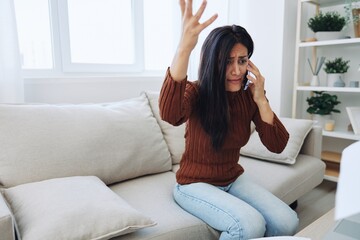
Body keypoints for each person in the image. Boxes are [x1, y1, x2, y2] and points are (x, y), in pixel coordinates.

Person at [158, 0, 299, 239]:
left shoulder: (249, 96)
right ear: (213, 63)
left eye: (242, 61)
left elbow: (277, 146)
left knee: (288, 222)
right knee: (250, 224)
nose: (236, 71)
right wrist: (184, 48)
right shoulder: (197, 91)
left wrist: (261, 100)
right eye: (227, 62)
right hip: (194, 184)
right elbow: (170, 115)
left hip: (233, 179)